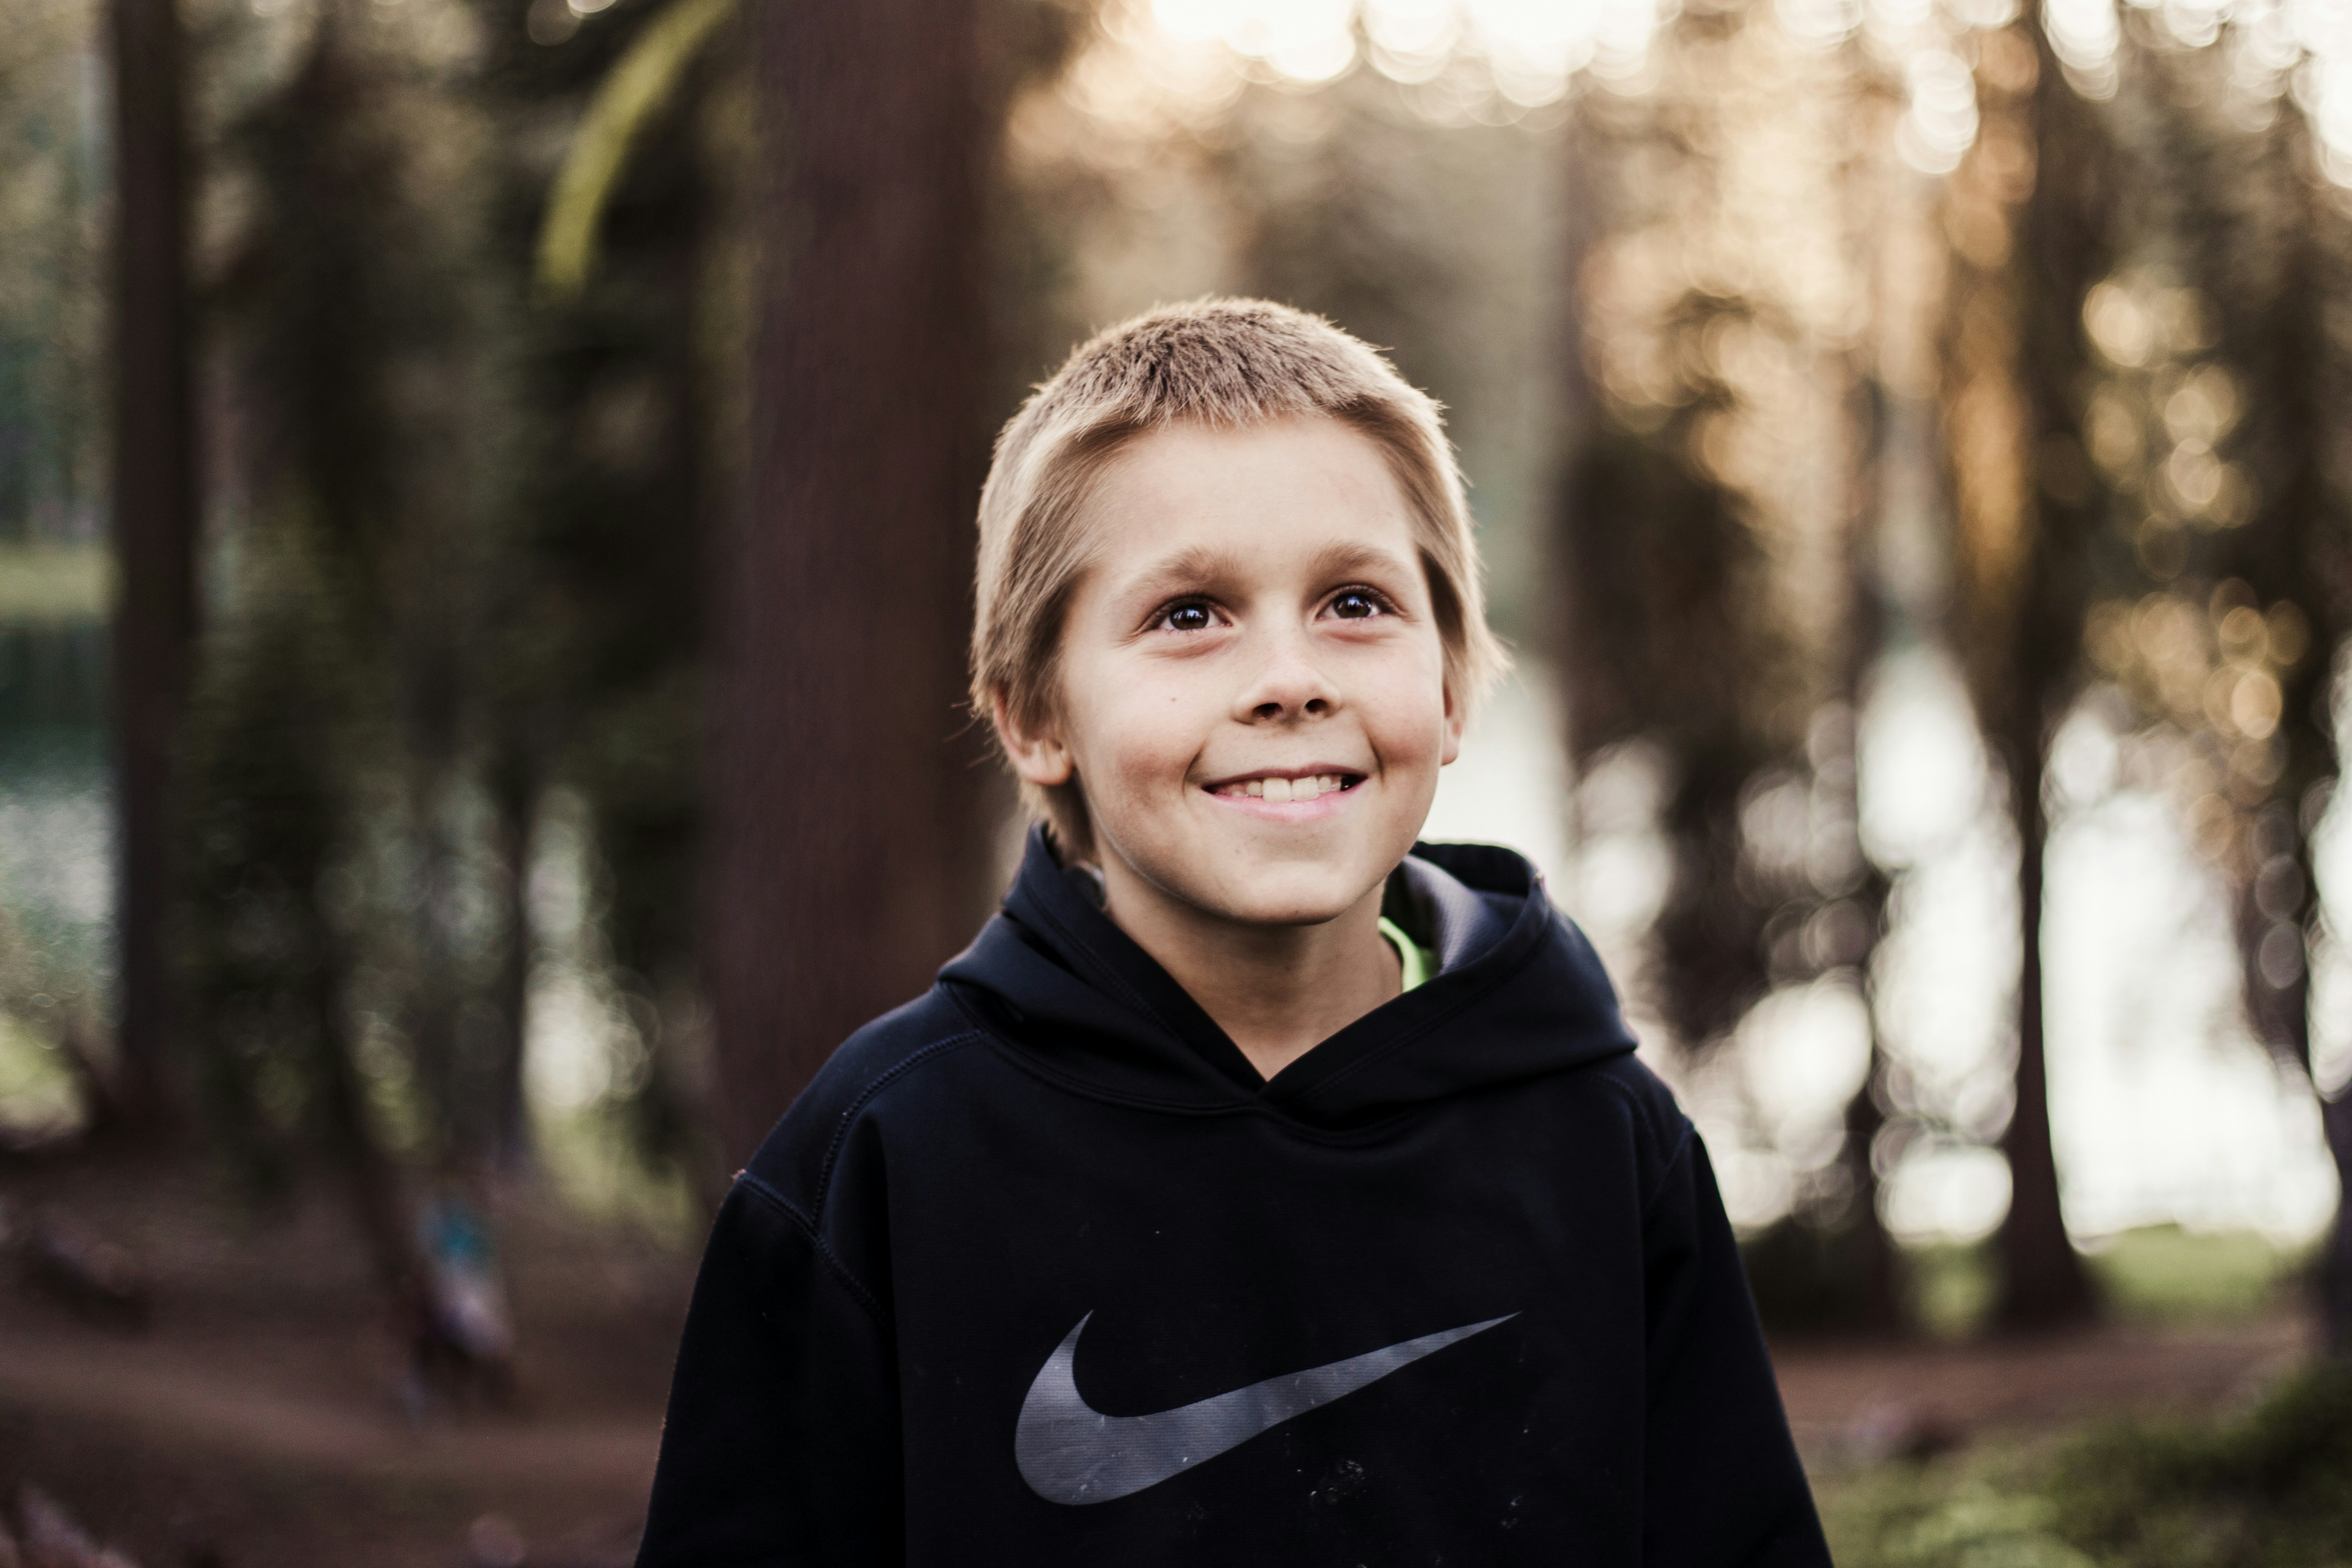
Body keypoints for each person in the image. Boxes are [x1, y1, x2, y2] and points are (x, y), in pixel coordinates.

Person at [635, 299, 1829, 1566]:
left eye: (1354, 601)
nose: (1289, 679)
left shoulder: (1603, 1137)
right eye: (1191, 614)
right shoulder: (880, 1155)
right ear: (1035, 716)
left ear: (1448, 683)